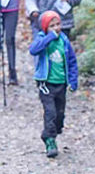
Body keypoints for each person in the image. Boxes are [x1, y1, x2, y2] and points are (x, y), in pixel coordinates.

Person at [29, 11, 78, 157]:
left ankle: (51, 132)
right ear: (45, 27)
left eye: (58, 24)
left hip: (61, 83)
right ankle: (50, 141)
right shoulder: (42, 38)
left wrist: (73, 81)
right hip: (46, 84)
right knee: (50, 113)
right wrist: (49, 37)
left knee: (59, 114)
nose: (56, 28)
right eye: (52, 25)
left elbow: (72, 61)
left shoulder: (64, 40)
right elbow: (33, 50)